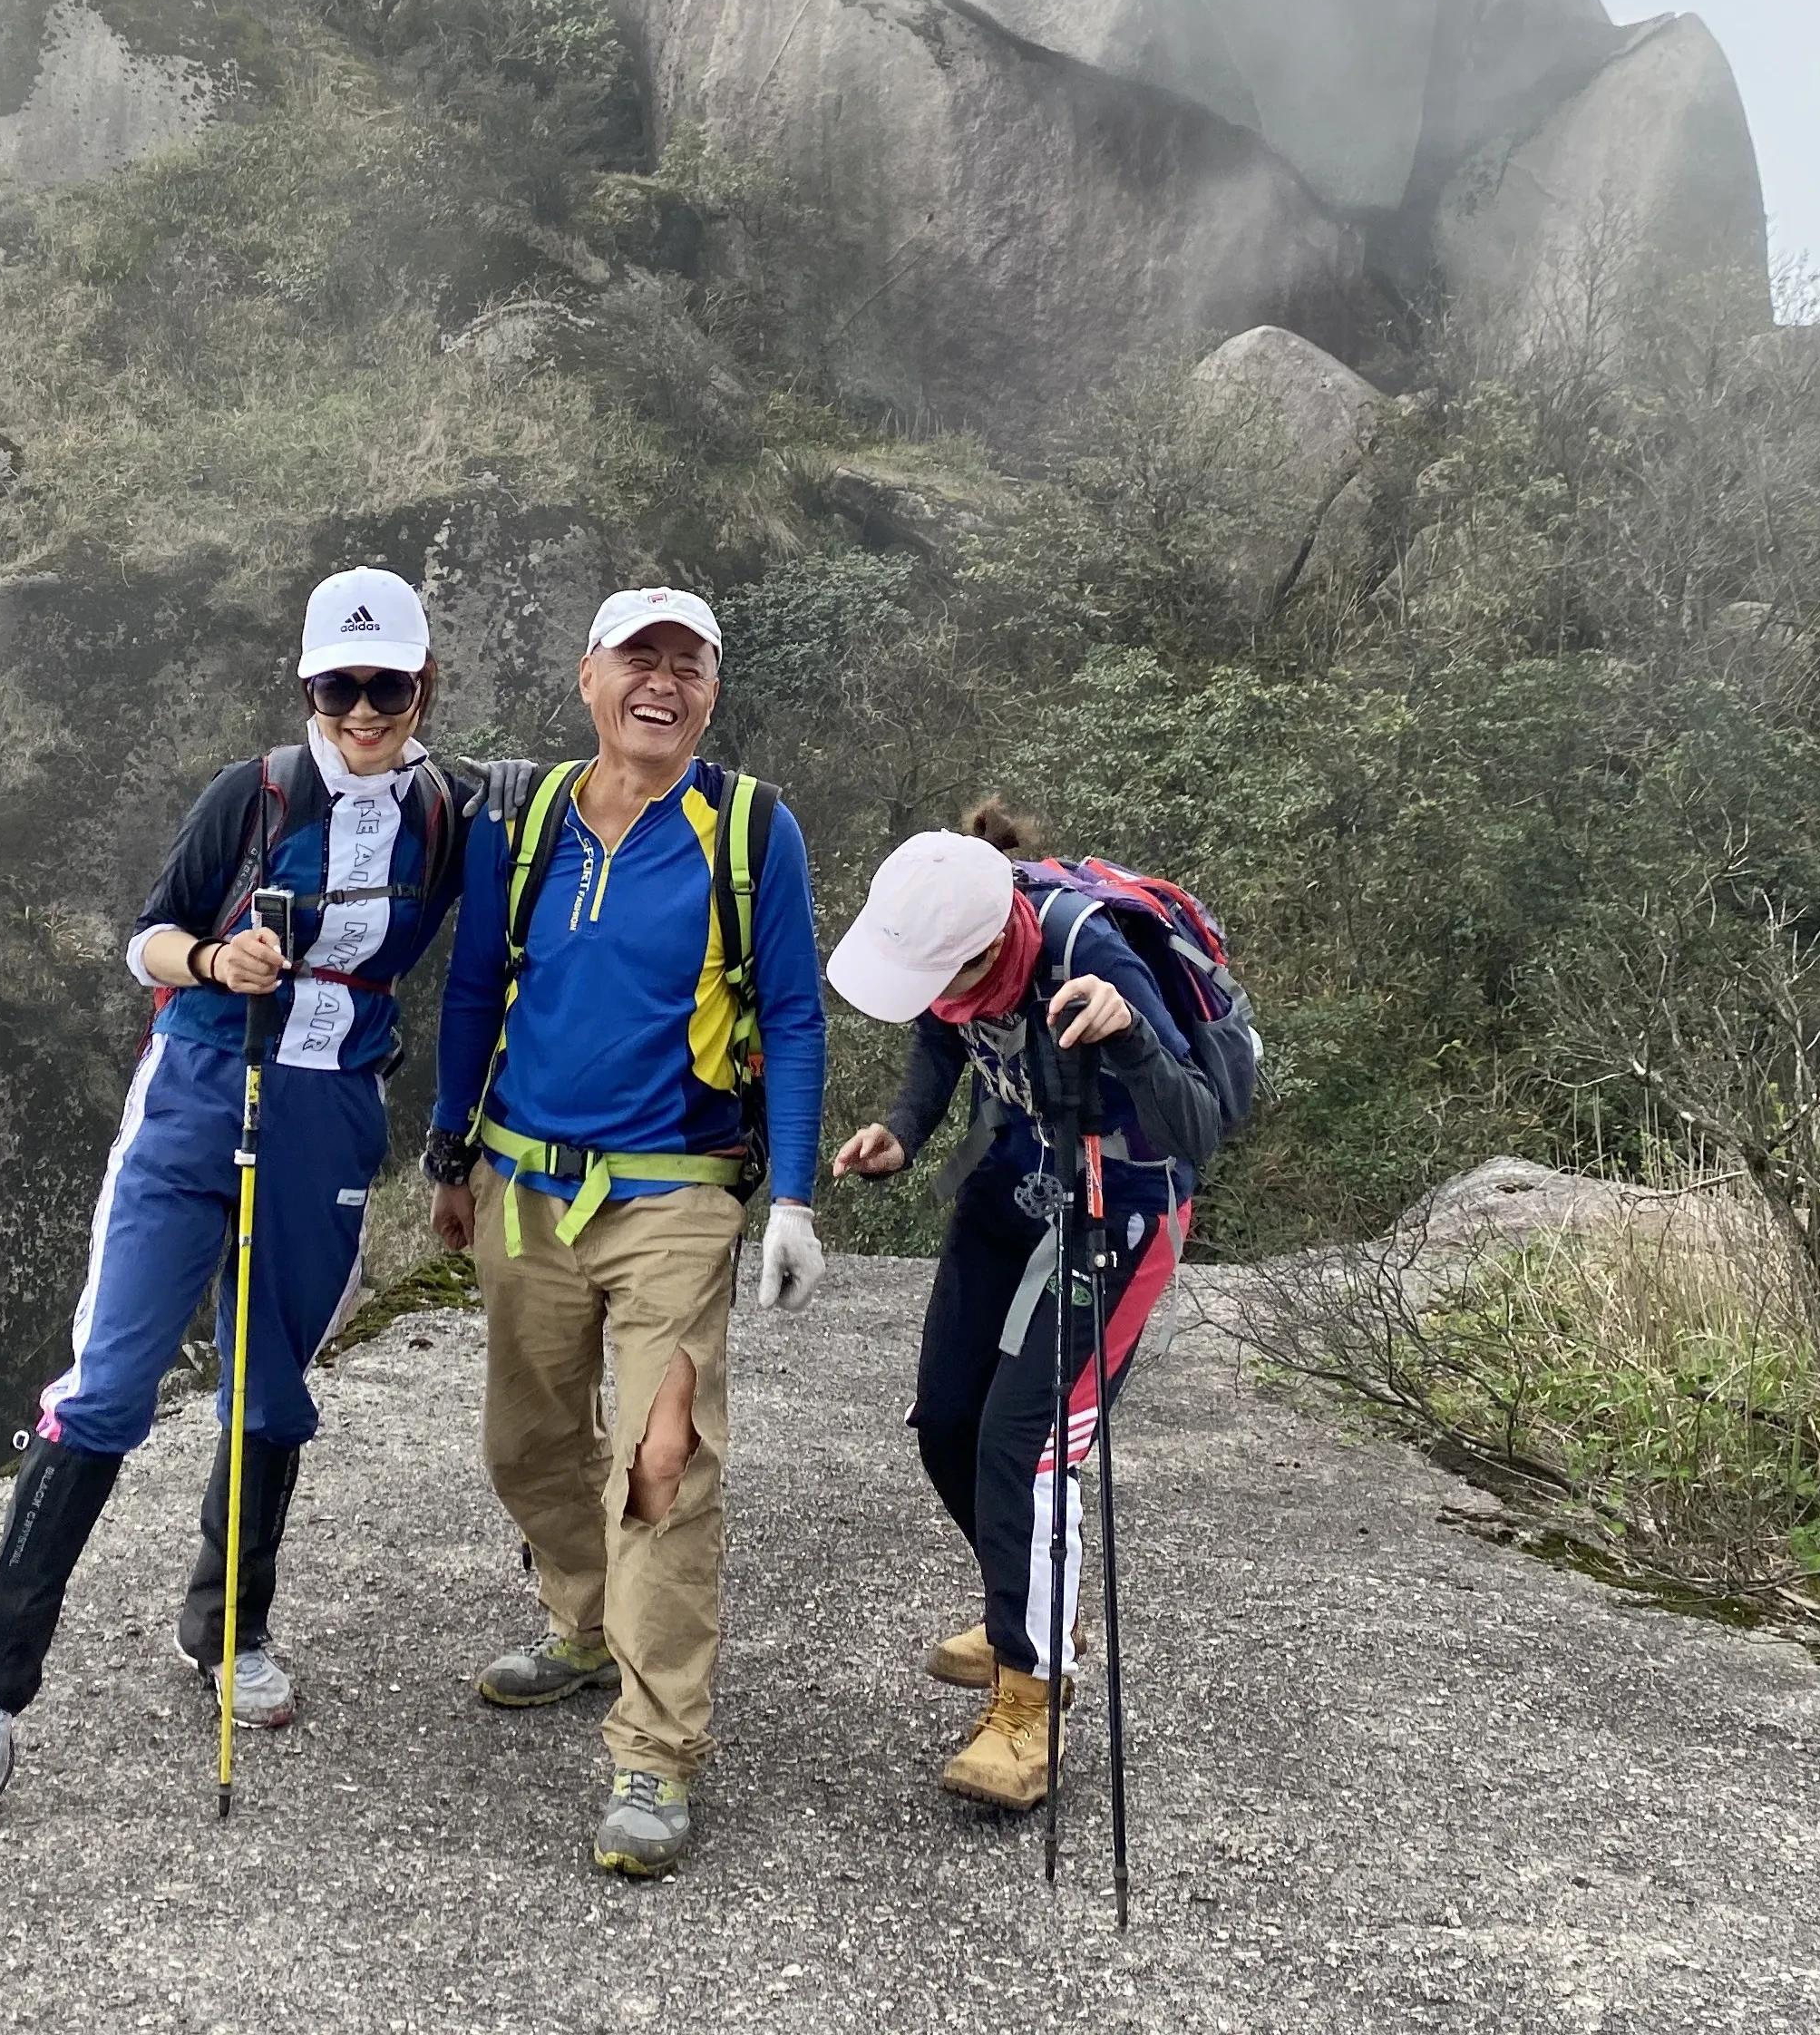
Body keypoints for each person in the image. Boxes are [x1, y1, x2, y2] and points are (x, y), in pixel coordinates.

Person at [0, 567, 473, 1821]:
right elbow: (146, 936)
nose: (361, 709)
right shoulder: (253, 796)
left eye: (385, 684)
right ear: (307, 687)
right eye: (337, 686)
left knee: (271, 1387)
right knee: (110, 1384)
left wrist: (452, 1140)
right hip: (195, 1091)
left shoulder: (446, 816)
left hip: (329, 1112)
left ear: (421, 684)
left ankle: (225, 1631)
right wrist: (213, 957)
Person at [424, 585, 827, 1883]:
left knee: (662, 1470)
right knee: (529, 1445)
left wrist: (798, 1197)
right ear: (588, 676)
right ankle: (584, 1624)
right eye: (638, 659)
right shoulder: (528, 820)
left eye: (689, 665)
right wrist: (450, 1152)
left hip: (674, 1192)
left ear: (711, 689)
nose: (663, 682)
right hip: (527, 1187)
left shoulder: (750, 828)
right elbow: (478, 985)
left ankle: (655, 1750)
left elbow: (799, 1016)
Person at [822, 804, 1228, 1813]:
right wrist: (906, 1133)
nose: (931, 997)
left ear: (990, 942)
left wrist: (1130, 1035)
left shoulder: (1089, 949)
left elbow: (1204, 1128)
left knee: (1027, 1443)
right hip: (1014, 1178)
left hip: (1121, 1206)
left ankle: (1032, 1698)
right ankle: (1032, 1610)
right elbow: (941, 1038)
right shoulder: (956, 961)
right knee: (946, 1424)